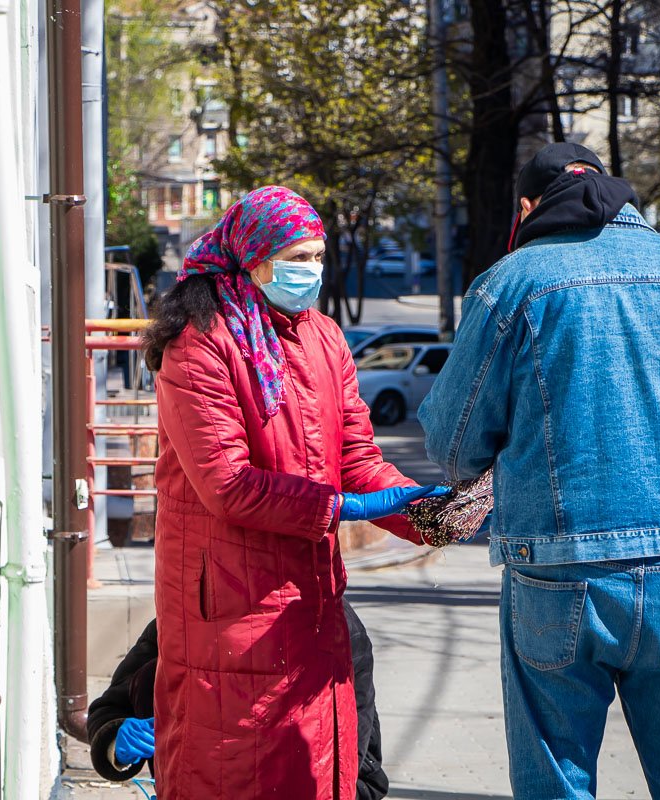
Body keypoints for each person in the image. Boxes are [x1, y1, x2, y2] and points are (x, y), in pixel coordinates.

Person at [418, 142, 660, 800]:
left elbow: (453, 443)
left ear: (529, 207)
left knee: (556, 778)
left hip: (557, 573)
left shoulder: (511, 283)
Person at [143, 185, 446, 800]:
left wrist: (430, 516)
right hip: (229, 604)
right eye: (297, 257)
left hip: (309, 594)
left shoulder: (325, 337)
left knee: (313, 766)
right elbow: (226, 483)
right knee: (235, 768)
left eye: (317, 256)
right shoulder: (199, 341)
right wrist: (338, 509)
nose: (310, 271)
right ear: (254, 258)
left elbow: (358, 457)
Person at [87, 598, 391, 799]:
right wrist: (115, 741)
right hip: (197, 784)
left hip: (316, 787)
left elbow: (346, 756)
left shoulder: (334, 628)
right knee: (159, 673)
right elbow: (111, 706)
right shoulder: (184, 619)